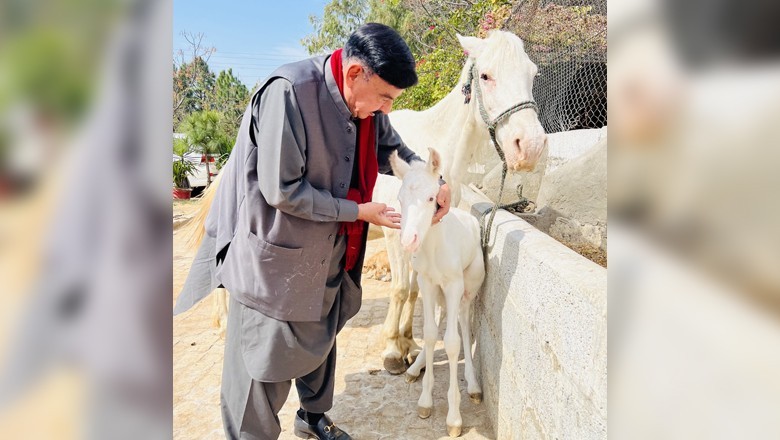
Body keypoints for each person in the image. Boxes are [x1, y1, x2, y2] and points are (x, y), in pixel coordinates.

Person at [175, 23, 451, 440]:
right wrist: (358, 211)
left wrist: (437, 181)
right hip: (275, 260)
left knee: (322, 338)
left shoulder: (367, 107)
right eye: (385, 98)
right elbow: (281, 189)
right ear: (356, 73)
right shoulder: (289, 93)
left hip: (329, 253)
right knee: (260, 364)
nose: (387, 110)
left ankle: (312, 417)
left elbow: (394, 149)